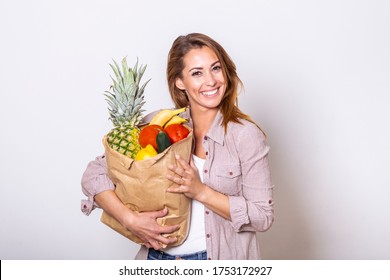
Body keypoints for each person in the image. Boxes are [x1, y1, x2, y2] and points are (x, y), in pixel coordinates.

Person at [81, 33, 274, 260]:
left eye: (216, 68)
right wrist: (130, 220)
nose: (210, 81)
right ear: (179, 82)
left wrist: (200, 191)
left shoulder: (244, 136)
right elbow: (93, 174)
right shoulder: (158, 124)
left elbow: (263, 216)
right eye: (197, 73)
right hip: (155, 259)